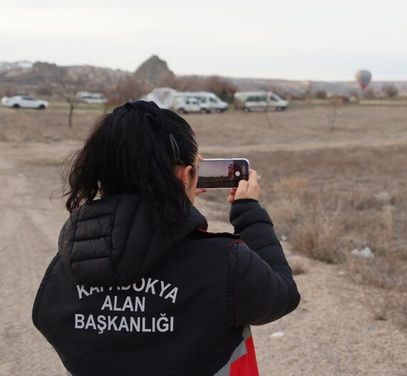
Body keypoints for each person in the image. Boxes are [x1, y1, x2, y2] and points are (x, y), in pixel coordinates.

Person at [32, 101, 300, 376]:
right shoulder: (223, 261)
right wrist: (249, 213)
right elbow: (283, 295)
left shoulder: (69, 261)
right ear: (185, 175)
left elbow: (47, 318)